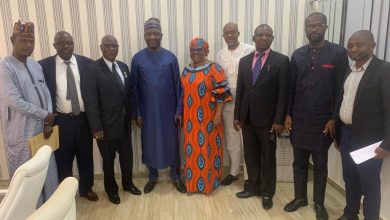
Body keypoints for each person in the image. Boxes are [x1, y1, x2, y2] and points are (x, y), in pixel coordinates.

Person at [283, 12, 349, 220]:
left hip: (323, 120)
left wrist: (333, 119)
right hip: (299, 118)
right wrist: (287, 114)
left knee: (320, 165)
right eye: (310, 25)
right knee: (299, 163)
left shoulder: (338, 53)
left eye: (318, 25)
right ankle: (299, 197)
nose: (314, 29)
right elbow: (291, 88)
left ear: (325, 27)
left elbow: (342, 89)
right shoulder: (298, 55)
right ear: (305, 29)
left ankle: (319, 203)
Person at [0, 20, 58, 205]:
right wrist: (44, 115)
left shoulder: (35, 65)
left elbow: (46, 92)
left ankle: (50, 211)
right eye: (23, 40)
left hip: (43, 131)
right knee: (27, 177)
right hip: (20, 135)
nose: (28, 45)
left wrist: (48, 120)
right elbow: (14, 101)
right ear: (12, 40)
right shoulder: (5, 67)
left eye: (31, 41)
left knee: (47, 171)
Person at [233, 24, 290, 210]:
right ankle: (253, 187)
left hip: (269, 121)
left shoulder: (282, 61)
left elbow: (284, 93)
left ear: (272, 38)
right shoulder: (244, 61)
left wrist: (279, 120)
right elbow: (241, 90)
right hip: (247, 118)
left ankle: (267, 193)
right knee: (250, 156)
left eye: (267, 35)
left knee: (267, 157)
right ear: (253, 37)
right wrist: (237, 116)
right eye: (260, 35)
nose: (263, 38)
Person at [335, 30, 390, 220]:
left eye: (359, 45)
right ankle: (350, 214)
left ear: (372, 45)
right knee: (350, 179)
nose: (354, 49)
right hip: (347, 134)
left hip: (369, 140)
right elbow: (343, 102)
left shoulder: (384, 70)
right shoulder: (349, 71)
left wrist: (387, 144)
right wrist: (339, 134)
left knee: (369, 185)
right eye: (350, 45)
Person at [81, 35, 141, 204]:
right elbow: (90, 101)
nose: (112, 49)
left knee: (127, 158)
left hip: (124, 124)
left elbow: (129, 94)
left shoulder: (123, 67)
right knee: (108, 162)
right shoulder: (92, 69)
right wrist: (96, 128)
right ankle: (111, 190)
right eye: (108, 45)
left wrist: (133, 116)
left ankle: (128, 183)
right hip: (104, 127)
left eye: (114, 46)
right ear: (101, 47)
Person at [39, 31, 98, 202]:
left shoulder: (87, 64)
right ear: (54, 45)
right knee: (63, 159)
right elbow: (41, 95)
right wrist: (46, 120)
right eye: (61, 43)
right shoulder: (44, 66)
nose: (65, 46)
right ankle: (65, 194)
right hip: (60, 121)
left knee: (85, 156)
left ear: (73, 44)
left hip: (83, 119)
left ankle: (86, 188)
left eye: (69, 42)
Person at [131, 18, 185, 194]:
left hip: (168, 111)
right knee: (149, 143)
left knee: (172, 143)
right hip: (147, 112)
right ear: (144, 36)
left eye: (155, 33)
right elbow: (134, 88)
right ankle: (152, 177)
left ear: (161, 35)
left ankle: (176, 176)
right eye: (148, 34)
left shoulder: (170, 57)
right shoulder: (138, 59)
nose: (152, 36)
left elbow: (178, 86)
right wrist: (137, 111)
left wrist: (178, 110)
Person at [181, 37, 232, 195]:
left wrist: (218, 115)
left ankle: (207, 185)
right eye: (193, 50)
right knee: (191, 150)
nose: (195, 53)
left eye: (199, 49)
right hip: (189, 119)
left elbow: (221, 93)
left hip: (209, 118)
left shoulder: (214, 68)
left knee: (207, 150)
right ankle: (192, 184)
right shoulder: (186, 69)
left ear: (206, 51)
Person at [215, 22, 254, 186]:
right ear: (223, 36)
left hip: (247, 103)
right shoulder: (219, 55)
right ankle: (233, 172)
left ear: (238, 33)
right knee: (232, 139)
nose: (230, 35)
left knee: (248, 139)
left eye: (232, 32)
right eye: (226, 33)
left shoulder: (249, 50)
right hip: (228, 103)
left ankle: (249, 176)